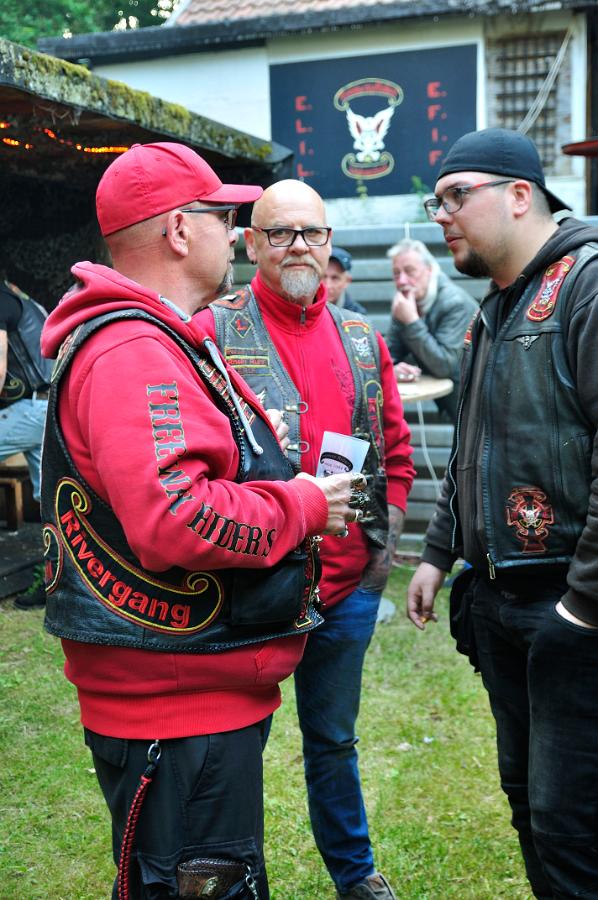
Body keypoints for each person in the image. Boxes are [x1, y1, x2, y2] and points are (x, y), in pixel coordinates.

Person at [39, 142, 359, 900]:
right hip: (175, 711)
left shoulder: (150, 337)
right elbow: (176, 517)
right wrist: (303, 504)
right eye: (222, 216)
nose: (234, 231)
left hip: (184, 696)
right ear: (180, 230)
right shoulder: (134, 349)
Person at [197, 179, 415, 900]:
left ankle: (355, 877)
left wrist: (381, 557)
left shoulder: (362, 339)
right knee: (234, 749)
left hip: (346, 591)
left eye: (312, 232)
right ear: (250, 243)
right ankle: (233, 878)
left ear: (328, 243)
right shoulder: (211, 331)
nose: (298, 245)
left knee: (333, 740)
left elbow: (395, 452)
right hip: (250, 587)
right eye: (280, 232)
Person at [406, 127, 598, 899]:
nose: (441, 215)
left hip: (570, 608)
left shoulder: (586, 285)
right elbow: (472, 448)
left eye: (457, 195)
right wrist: (435, 552)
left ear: (521, 195)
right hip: (499, 600)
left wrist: (582, 608)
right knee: (529, 806)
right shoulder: (493, 310)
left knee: (573, 825)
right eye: (437, 200)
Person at [0, 280, 53, 607]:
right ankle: (55, 583)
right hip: (49, 406)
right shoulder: (24, 299)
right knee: (49, 499)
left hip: (31, 409)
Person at [385, 238, 477, 421]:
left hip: (477, 403)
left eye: (410, 271)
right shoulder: (406, 303)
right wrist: (393, 368)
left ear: (429, 269)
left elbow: (444, 366)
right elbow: (390, 354)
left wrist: (411, 321)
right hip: (454, 401)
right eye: (396, 273)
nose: (402, 281)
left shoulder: (455, 303)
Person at [324, 245, 367, 314]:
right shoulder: (305, 308)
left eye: (335, 278)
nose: (328, 285)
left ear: (347, 281)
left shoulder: (357, 315)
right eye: (323, 276)